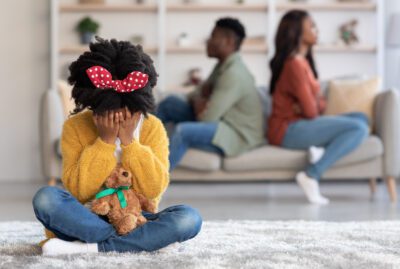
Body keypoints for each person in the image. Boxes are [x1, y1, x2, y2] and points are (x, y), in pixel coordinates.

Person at [32, 38, 202, 255]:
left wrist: (130, 142)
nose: (118, 116)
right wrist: (105, 142)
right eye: (107, 111)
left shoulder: (152, 127)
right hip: (86, 216)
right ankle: (146, 242)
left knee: (189, 218)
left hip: (137, 218)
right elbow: (79, 192)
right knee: (46, 198)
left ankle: (90, 248)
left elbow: (153, 190)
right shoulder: (75, 126)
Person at [267, 10, 369, 205]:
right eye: (312, 26)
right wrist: (315, 101)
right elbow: (313, 110)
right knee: (358, 128)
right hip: (286, 130)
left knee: (362, 118)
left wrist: (314, 102)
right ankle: (311, 174)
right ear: (297, 32)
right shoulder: (294, 64)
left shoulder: (303, 61)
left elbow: (317, 106)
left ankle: (319, 150)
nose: (317, 30)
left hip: (301, 123)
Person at [156, 17, 265, 171]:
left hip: (237, 133)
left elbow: (207, 117)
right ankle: (133, 145)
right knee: (170, 103)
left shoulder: (233, 74)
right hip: (221, 122)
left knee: (183, 131)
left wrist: (202, 99)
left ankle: (150, 187)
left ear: (228, 41)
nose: (208, 41)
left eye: (213, 36)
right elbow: (194, 95)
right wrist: (201, 99)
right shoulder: (222, 66)